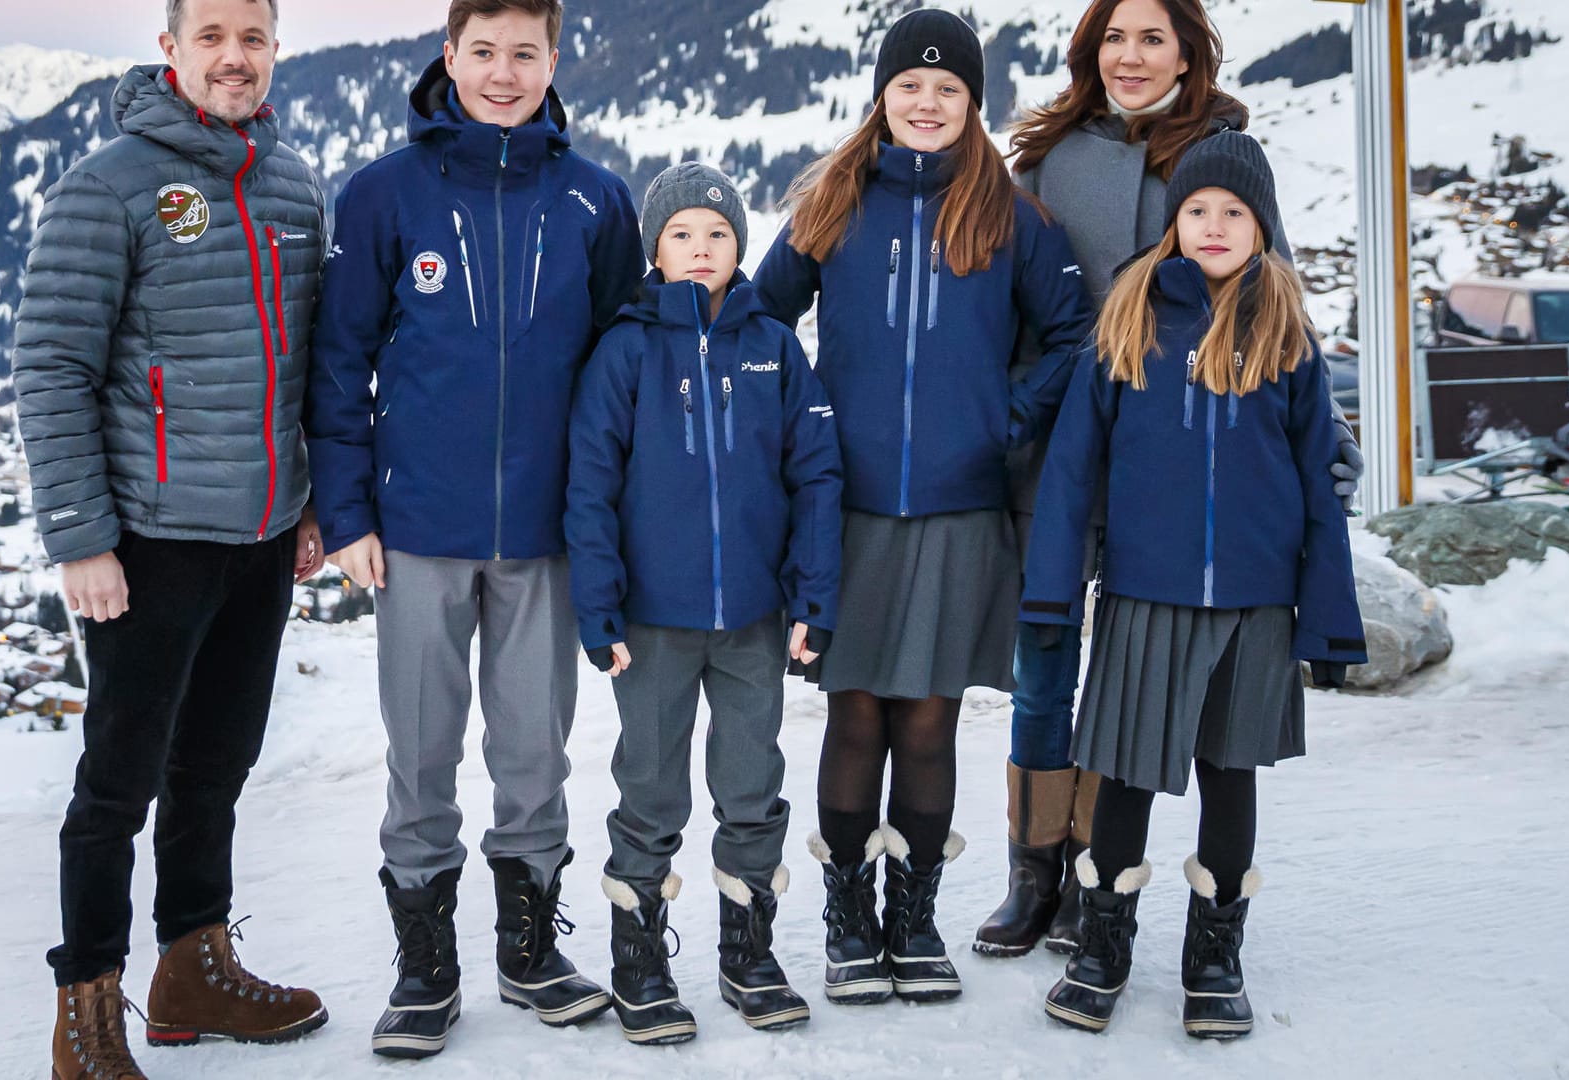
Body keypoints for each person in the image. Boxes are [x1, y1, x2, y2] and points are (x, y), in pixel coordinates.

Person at [980, 0, 1364, 958]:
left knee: (1140, 690)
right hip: (1073, 447)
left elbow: (1276, 312)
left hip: (1189, 474)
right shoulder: (1049, 161)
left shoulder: (1221, 156)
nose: (1133, 54)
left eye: (1154, 36)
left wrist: (1323, 445)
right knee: (1046, 677)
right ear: (1090, 51)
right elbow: (1014, 306)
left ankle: (1094, 878)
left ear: (1189, 52)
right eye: (1115, 36)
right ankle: (1038, 876)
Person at [304, 0, 644, 1059]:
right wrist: (350, 511)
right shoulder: (383, 195)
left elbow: (623, 373)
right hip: (417, 530)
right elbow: (338, 363)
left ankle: (531, 952)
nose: (504, 74)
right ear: (449, 56)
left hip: (547, 534)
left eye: (525, 54)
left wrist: (613, 524)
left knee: (536, 751)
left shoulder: (595, 200)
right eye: (484, 52)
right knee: (422, 751)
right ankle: (426, 966)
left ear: (555, 60)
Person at [13, 1, 329, 1077]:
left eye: (253, 37)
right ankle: (86, 1007)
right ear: (172, 51)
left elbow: (311, 364)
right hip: (149, 540)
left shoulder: (291, 186)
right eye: (213, 38)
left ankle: (192, 967)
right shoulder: (109, 186)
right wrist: (80, 538)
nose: (234, 57)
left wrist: (312, 498)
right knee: (117, 783)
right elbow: (52, 365)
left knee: (217, 766)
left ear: (274, 48)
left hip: (263, 533)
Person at [756, 8, 1094, 1007]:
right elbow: (761, 319)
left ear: (973, 104)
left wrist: (1005, 420)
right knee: (856, 714)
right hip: (849, 508)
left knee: (931, 724)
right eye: (911, 84)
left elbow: (1074, 336)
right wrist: (802, 417)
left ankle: (915, 922)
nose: (928, 101)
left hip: (958, 509)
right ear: (883, 94)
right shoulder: (832, 201)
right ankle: (848, 919)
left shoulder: (1013, 216)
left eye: (949, 89)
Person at [566, 162, 842, 1044]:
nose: (699, 248)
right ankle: (638, 954)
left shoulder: (773, 344)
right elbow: (591, 486)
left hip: (755, 617)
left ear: (739, 246)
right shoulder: (626, 347)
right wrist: (597, 605)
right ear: (654, 248)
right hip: (651, 621)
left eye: (717, 234)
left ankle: (746, 947)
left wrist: (812, 596)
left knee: (751, 781)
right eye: (681, 233)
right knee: (649, 785)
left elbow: (814, 475)